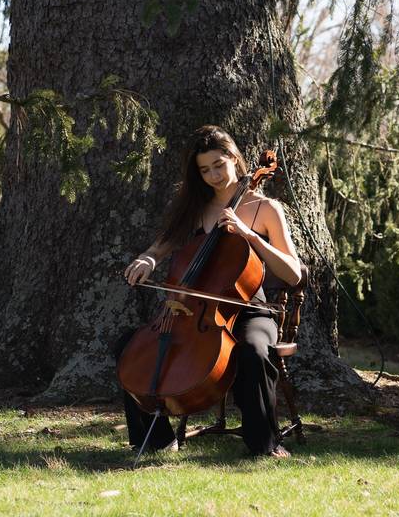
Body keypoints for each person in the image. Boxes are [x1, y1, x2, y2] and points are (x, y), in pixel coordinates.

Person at [121, 125, 302, 458]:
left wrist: (249, 235)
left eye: (219, 164)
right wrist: (146, 259)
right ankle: (157, 439)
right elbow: (160, 248)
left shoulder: (266, 209)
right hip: (194, 312)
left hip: (250, 309)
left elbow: (291, 274)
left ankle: (264, 443)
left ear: (234, 157)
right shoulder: (195, 208)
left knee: (254, 350)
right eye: (205, 170)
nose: (214, 175)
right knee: (129, 346)